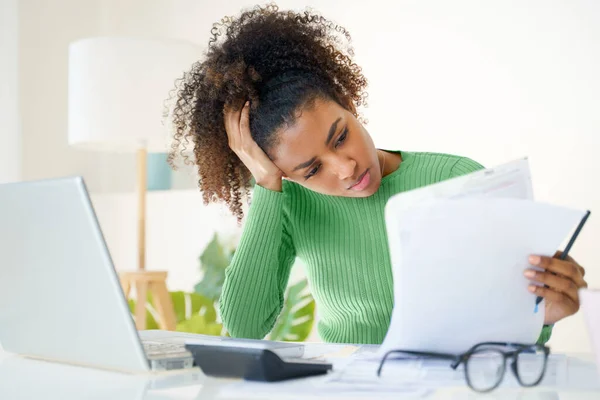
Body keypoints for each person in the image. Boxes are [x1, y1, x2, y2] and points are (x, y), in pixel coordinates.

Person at [167, 3, 588, 345]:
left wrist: (543, 316)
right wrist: (266, 185)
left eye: (340, 136)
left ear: (347, 102)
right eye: (312, 169)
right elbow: (243, 327)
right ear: (285, 175)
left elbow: (512, 323)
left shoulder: (458, 178)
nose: (346, 168)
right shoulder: (289, 203)